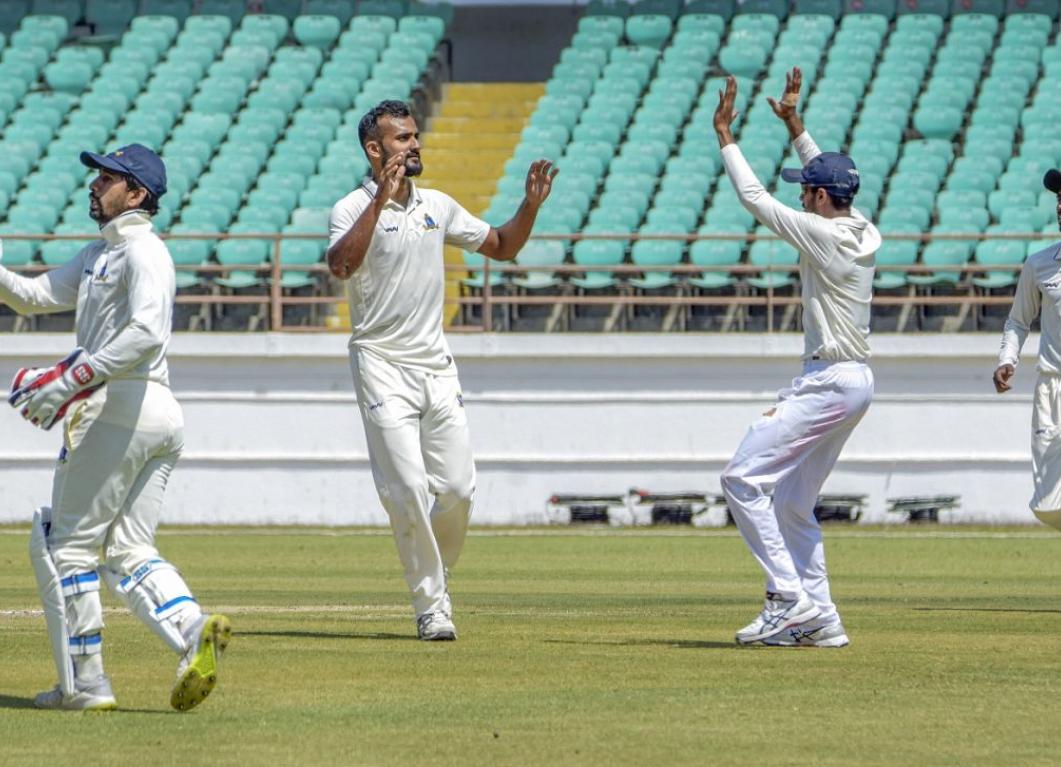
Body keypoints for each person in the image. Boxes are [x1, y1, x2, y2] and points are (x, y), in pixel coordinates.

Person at [1, 144, 230, 711]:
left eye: (107, 178)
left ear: (137, 194)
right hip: (151, 412)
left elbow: (148, 333)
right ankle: (192, 628)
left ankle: (87, 686)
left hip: (121, 406)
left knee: (67, 547)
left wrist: (73, 375)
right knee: (128, 547)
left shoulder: (145, 251)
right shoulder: (98, 254)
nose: (94, 185)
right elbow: (31, 298)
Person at [326, 100, 556, 640]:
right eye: (402, 139)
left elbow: (502, 246)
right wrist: (380, 200)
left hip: (436, 365)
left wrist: (529, 206)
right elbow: (340, 265)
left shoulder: (439, 205)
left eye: (415, 136)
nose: (414, 145)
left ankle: (436, 573)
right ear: (374, 150)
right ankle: (431, 605)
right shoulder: (349, 207)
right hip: (380, 363)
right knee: (406, 487)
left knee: (457, 488)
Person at [713, 69, 879, 648]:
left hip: (830, 379)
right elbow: (825, 176)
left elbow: (754, 199)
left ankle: (788, 598)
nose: (798, 196)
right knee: (791, 503)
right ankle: (823, 619)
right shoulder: (859, 226)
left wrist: (725, 137)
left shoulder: (821, 234)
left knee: (740, 478)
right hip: (852, 379)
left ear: (818, 200)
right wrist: (794, 126)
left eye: (805, 190)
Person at [992, 169, 1061, 531]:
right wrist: (1007, 359)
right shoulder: (1039, 264)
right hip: (1052, 387)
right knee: (1050, 504)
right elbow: (1018, 321)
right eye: (1060, 199)